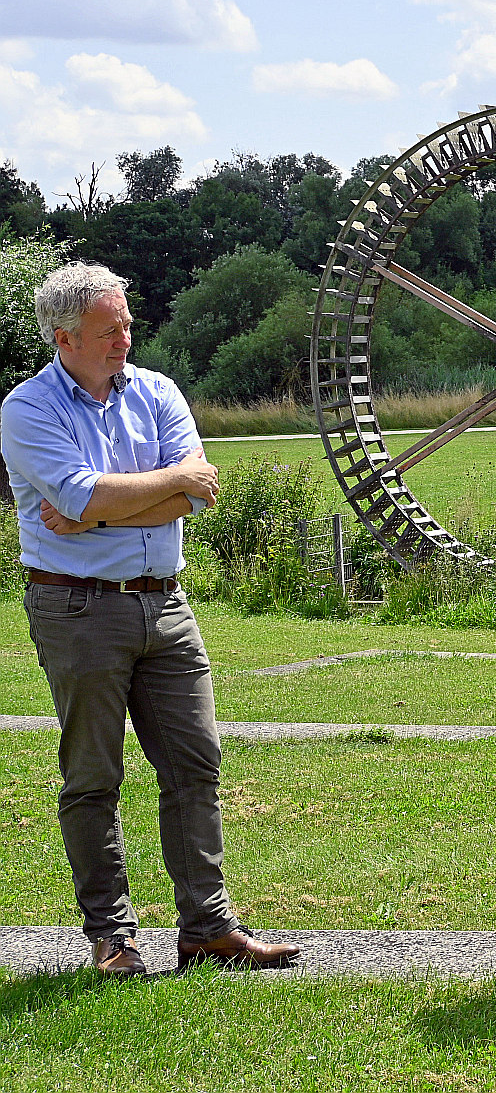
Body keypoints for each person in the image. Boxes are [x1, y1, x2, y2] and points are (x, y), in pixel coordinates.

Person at [1, 262, 300, 977]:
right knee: (94, 777)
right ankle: (113, 937)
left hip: (165, 602)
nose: (125, 340)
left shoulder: (158, 391)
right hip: (75, 606)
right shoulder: (26, 408)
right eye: (110, 330)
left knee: (197, 766)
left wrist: (102, 507)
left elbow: (199, 492)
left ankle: (207, 929)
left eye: (128, 325)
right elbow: (82, 493)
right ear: (65, 337)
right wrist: (136, 494)